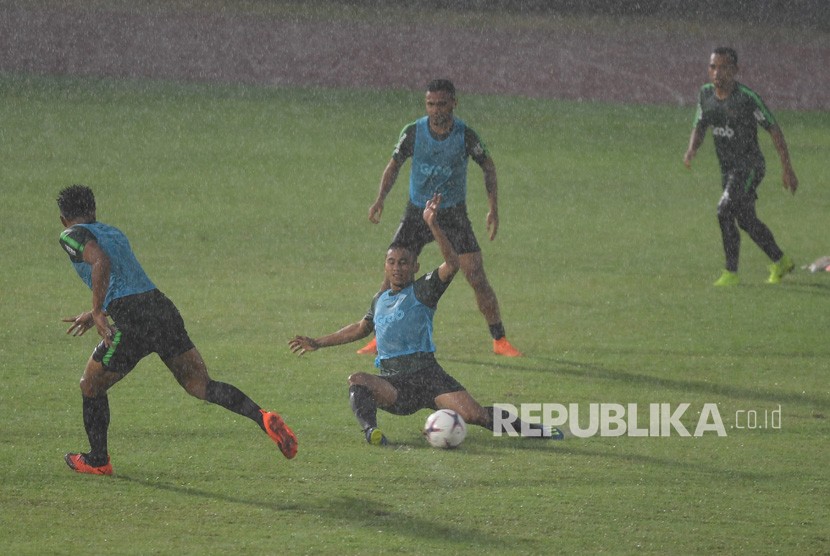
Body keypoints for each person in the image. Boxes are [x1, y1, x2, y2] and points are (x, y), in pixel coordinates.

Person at [56, 185, 297, 475]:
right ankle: (262, 417)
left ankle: (98, 460)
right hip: (161, 309)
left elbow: (101, 262)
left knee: (90, 385)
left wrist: (97, 310)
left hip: (133, 319)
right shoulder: (113, 232)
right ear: (94, 210)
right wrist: (99, 309)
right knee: (200, 385)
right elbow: (128, 282)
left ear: (63, 219)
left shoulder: (70, 235)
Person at [289, 193, 561, 445]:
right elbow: (360, 329)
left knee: (476, 415)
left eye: (404, 262)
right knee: (357, 379)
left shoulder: (424, 290)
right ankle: (371, 431)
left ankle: (536, 430)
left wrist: (433, 224)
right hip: (395, 384)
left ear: (415, 266)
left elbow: (453, 264)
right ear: (385, 266)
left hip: (429, 377)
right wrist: (319, 342)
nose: (397, 268)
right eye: (392, 262)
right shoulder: (380, 299)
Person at [358, 78, 522, 357]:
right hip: (416, 213)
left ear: (454, 103)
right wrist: (380, 199)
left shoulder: (466, 136)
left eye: (442, 104)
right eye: (430, 104)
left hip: (452, 214)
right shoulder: (413, 133)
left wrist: (493, 207)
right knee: (393, 275)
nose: (436, 110)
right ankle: (378, 336)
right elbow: (393, 165)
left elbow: (488, 167)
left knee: (475, 274)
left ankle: (500, 339)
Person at [683, 47, 798, 286]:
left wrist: (787, 168)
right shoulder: (705, 95)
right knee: (745, 220)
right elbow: (700, 124)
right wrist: (692, 148)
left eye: (724, 67)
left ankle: (731, 273)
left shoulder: (746, 98)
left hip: (750, 166)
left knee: (724, 210)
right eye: (713, 67)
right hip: (728, 169)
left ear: (735, 71)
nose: (717, 73)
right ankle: (780, 260)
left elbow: (774, 129)